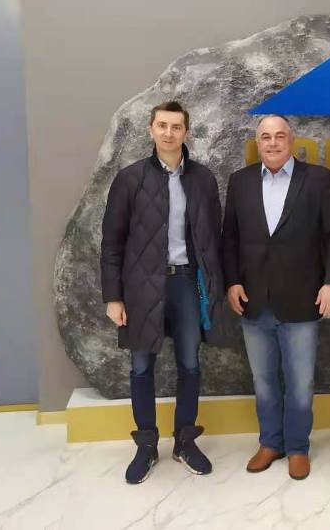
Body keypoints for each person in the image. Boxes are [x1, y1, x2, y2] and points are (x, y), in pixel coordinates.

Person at [100, 101, 224, 484]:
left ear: (186, 132)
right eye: (162, 125)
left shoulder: (203, 179)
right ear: (151, 130)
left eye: (176, 127)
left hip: (186, 283)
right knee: (141, 366)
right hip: (141, 287)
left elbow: (213, 239)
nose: (169, 133)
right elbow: (112, 242)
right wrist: (113, 297)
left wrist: (215, 287)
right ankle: (146, 445)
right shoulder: (129, 178)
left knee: (190, 363)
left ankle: (185, 441)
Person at [221, 115, 330, 481]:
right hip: (253, 300)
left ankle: (298, 447)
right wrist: (232, 281)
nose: (272, 143)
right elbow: (230, 238)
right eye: (265, 137)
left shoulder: (319, 179)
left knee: (301, 383)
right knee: (263, 381)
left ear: (291, 140)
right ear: (257, 143)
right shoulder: (240, 182)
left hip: (303, 299)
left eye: (279, 136)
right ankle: (270, 443)